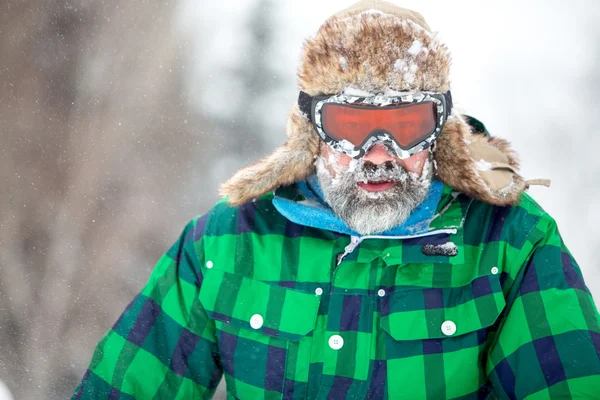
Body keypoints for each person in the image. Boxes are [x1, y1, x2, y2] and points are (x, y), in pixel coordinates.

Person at [73, 1, 600, 399]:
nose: (377, 155)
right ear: (313, 132)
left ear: (439, 133)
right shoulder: (228, 244)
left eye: (405, 125)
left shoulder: (509, 244)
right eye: (350, 125)